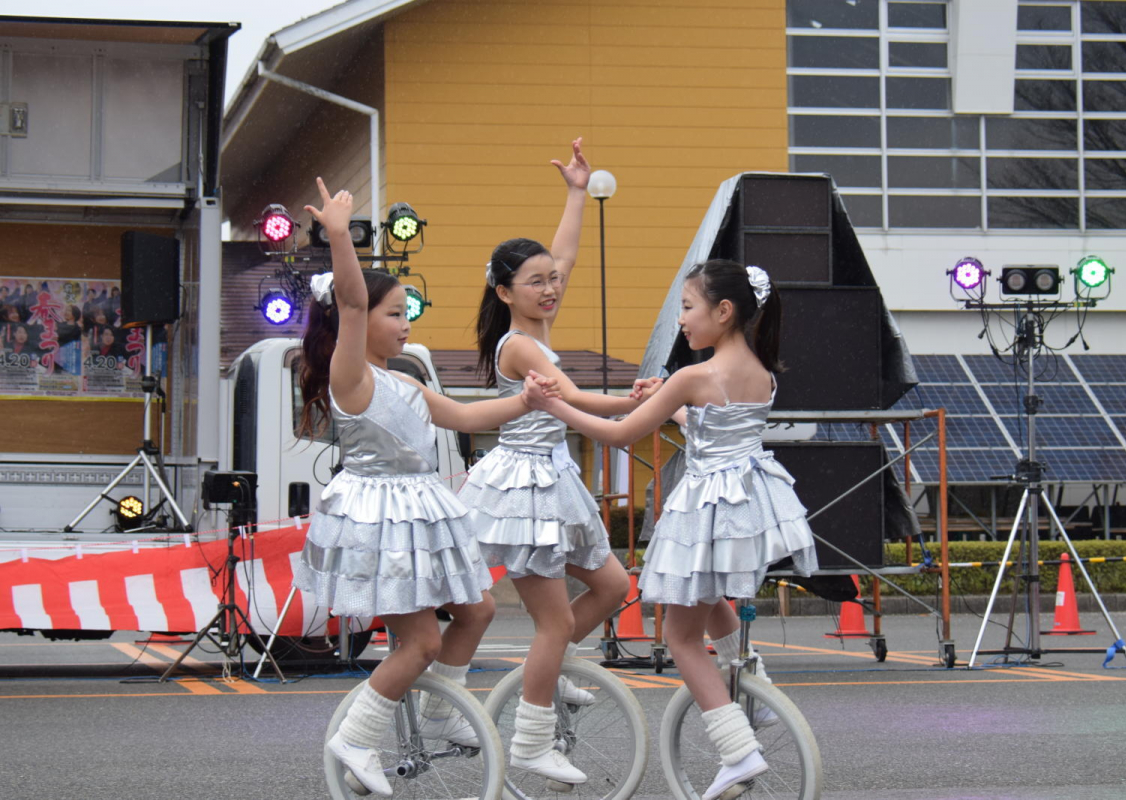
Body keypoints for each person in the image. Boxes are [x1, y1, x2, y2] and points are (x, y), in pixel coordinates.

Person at [522, 259, 818, 800]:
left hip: (705, 509)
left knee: (678, 634)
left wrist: (554, 405)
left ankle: (736, 750)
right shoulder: (759, 372)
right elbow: (717, 424)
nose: (681, 319)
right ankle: (754, 691)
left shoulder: (694, 377)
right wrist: (673, 404)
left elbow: (619, 435)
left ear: (723, 311)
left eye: (687, 307)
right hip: (750, 505)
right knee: (706, 600)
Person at [292, 177, 539, 797]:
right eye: (395, 314)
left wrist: (528, 401)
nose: (406, 324)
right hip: (379, 515)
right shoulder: (349, 376)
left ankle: (439, 711)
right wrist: (340, 235)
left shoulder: (402, 380)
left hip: (416, 508)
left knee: (479, 608)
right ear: (361, 320)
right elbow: (350, 301)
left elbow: (465, 417)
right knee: (424, 637)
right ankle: (358, 736)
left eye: (409, 313)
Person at [457, 138, 660, 787]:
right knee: (550, 619)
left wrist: (576, 192)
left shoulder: (536, 321)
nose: (551, 288)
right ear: (504, 290)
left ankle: (551, 669)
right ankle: (531, 738)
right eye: (536, 281)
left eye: (552, 281)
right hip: (525, 488)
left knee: (612, 587)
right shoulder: (518, 346)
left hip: (551, 481)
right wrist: (634, 399)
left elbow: (565, 254)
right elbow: (571, 399)